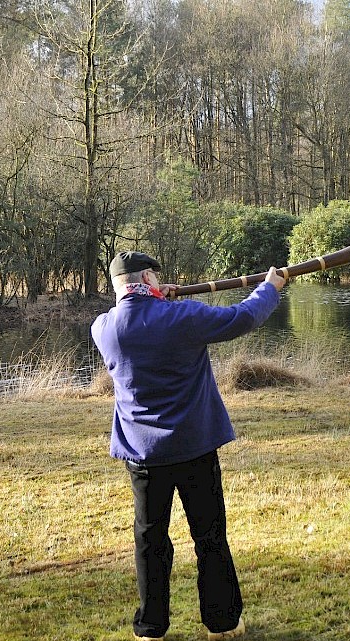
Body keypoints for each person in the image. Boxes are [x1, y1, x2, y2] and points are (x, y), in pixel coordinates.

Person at [91, 251, 286, 641]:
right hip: (194, 447)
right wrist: (271, 287)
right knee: (210, 536)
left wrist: (157, 299)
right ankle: (223, 625)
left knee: (151, 541)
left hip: (143, 456)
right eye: (156, 277)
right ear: (149, 278)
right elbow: (242, 317)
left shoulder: (103, 328)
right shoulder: (184, 318)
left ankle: (150, 629)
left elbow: (142, 317)